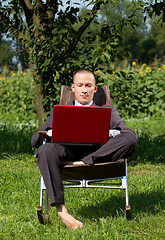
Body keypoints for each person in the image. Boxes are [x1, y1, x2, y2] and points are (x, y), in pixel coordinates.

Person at [31, 69, 137, 230]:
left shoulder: (108, 110)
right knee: (45, 151)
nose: (84, 90)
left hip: (99, 153)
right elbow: (35, 140)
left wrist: (110, 132)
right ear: (73, 88)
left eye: (88, 85)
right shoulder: (59, 111)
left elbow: (128, 134)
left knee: (130, 138)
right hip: (68, 152)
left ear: (95, 89)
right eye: (80, 85)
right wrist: (53, 132)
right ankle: (62, 211)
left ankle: (86, 161)